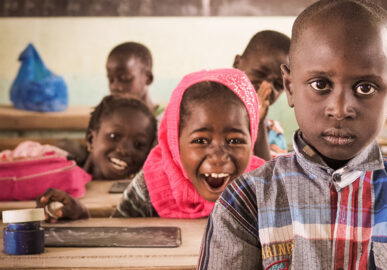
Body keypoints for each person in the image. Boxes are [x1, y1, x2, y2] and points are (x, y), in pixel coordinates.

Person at [198, 1, 387, 269]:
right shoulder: (246, 201)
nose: (341, 109)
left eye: (365, 88)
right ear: (291, 87)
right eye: (320, 84)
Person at [37, 68, 265, 221]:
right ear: (175, 144)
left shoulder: (262, 187)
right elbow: (119, 236)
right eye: (200, 141)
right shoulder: (152, 185)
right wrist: (82, 217)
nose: (218, 156)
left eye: (235, 141)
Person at [57, 95, 157, 180]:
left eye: (138, 145)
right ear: (91, 140)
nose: (124, 150)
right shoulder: (61, 179)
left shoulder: (145, 197)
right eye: (114, 136)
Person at [233, 30, 291, 160]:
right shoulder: (209, 117)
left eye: (278, 84)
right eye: (259, 74)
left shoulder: (273, 131)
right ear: (237, 64)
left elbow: (269, 177)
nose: (267, 88)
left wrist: (258, 123)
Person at [106, 42, 163, 116]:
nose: (115, 87)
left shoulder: (167, 121)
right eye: (111, 80)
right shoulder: (109, 120)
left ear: (148, 78)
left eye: (125, 78)